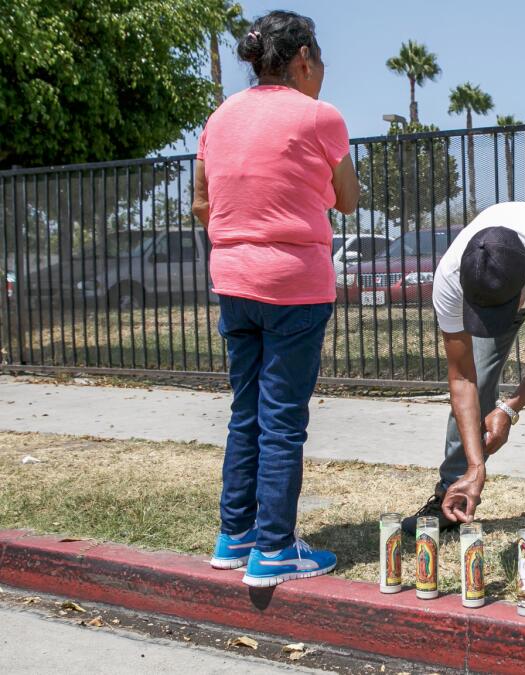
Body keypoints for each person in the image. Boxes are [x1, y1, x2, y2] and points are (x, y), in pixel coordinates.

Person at [193, 10, 358, 587]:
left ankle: (233, 536)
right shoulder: (320, 117)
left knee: (246, 412)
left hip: (232, 279)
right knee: (283, 420)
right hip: (294, 283)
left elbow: (201, 201)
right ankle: (275, 550)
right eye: (321, 65)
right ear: (304, 59)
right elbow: (350, 200)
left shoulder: (220, 117)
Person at [400, 202, 525, 571]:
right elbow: (462, 377)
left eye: (506, 307)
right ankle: (455, 490)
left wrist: (510, 408)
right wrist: (477, 464)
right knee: (477, 372)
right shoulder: (450, 274)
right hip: (506, 281)